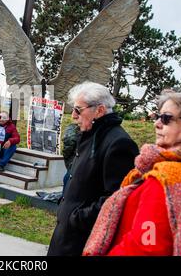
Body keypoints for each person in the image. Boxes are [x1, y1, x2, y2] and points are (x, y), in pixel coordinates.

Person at [83, 88, 181, 256]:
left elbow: (143, 248)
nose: (156, 123)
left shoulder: (166, 180)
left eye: (166, 118)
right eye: (158, 116)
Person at [47, 81, 139, 256]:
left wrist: (77, 217)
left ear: (100, 110)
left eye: (78, 110)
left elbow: (116, 199)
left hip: (83, 241)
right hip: (66, 236)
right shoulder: (90, 134)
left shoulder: (119, 143)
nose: (74, 116)